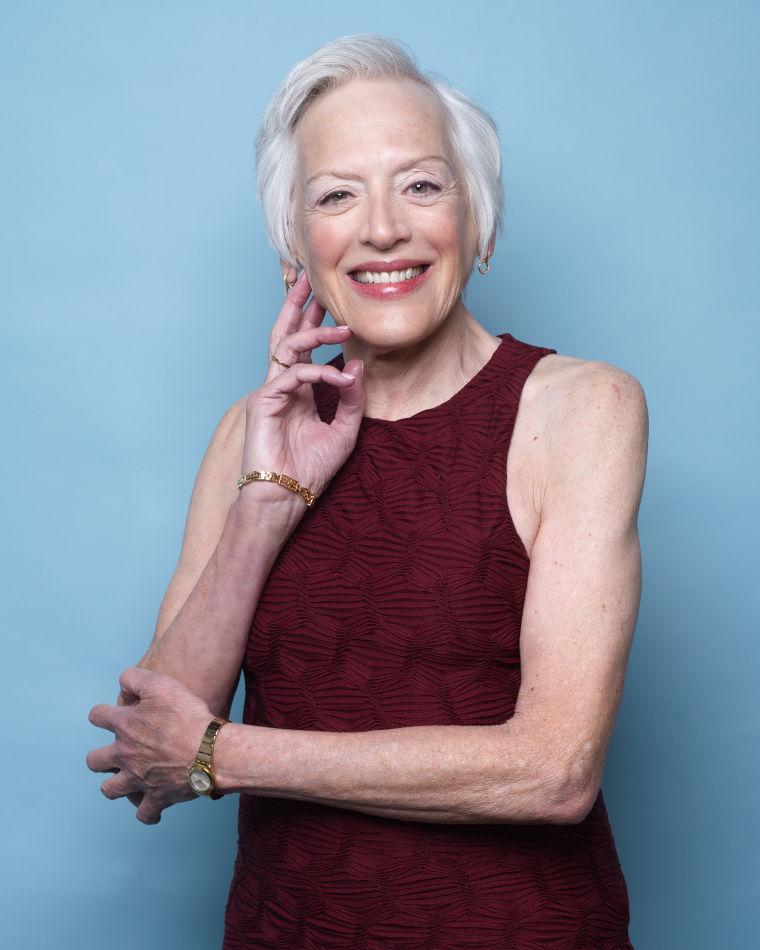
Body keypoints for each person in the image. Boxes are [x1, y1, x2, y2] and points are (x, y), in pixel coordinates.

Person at [87, 34, 647, 949]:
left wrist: (222, 753)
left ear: (481, 221)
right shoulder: (249, 432)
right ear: (295, 247)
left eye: (421, 185)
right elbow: (156, 744)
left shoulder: (583, 408)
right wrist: (266, 504)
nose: (383, 228)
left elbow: (554, 771)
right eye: (337, 196)